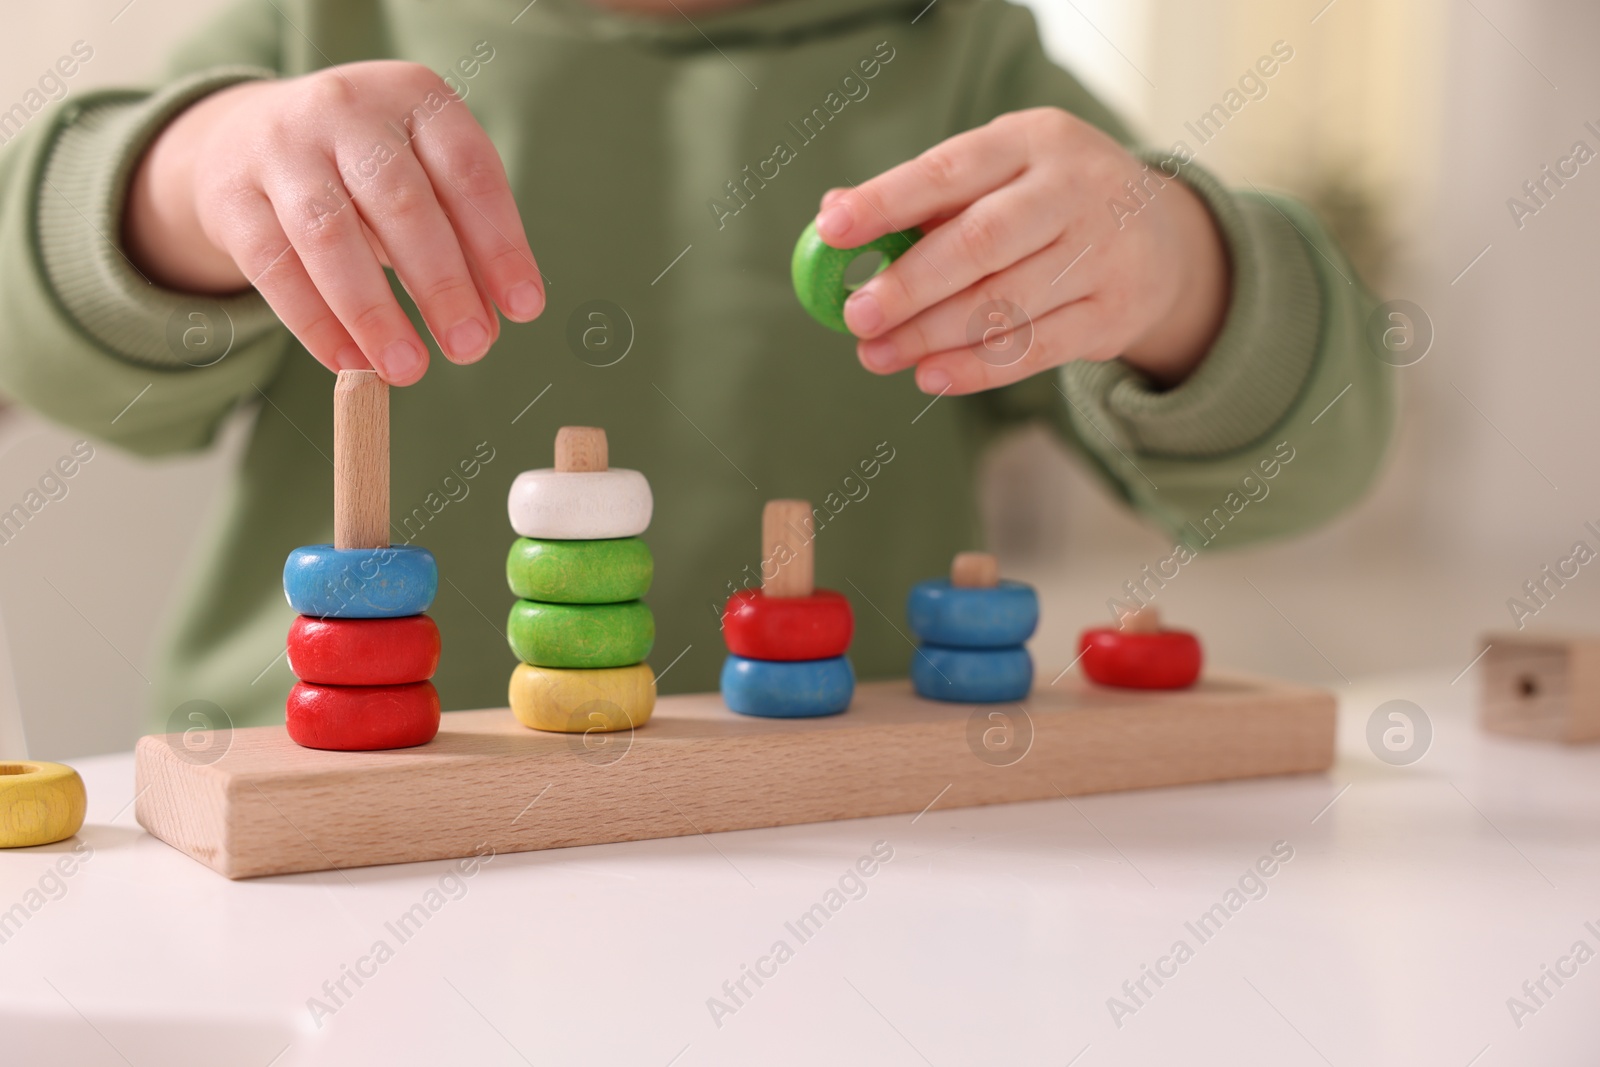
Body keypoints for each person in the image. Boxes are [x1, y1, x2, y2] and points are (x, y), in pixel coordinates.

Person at [0, 0, 1392, 728]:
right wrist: (179, 186)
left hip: (840, 841)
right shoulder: (320, 23)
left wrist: (1184, 273)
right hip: (329, 818)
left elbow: (1304, 471)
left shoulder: (965, 57)